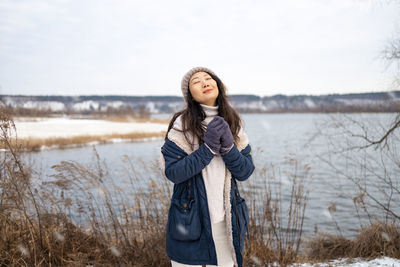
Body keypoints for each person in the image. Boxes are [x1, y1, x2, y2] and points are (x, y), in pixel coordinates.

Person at [160, 67, 255, 267]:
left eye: (208, 78)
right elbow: (174, 172)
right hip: (190, 222)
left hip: (226, 224)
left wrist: (229, 148)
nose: (204, 82)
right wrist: (208, 149)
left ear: (217, 84)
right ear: (190, 96)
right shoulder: (181, 125)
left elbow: (245, 171)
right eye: (196, 81)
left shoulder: (233, 123)